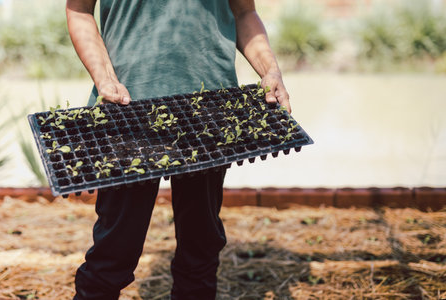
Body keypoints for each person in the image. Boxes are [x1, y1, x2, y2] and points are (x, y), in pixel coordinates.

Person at [66, 1, 291, 299]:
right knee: (114, 250)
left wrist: (270, 70)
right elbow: (79, 10)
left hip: (209, 110)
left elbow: (244, 13)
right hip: (127, 108)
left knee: (201, 245)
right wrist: (104, 77)